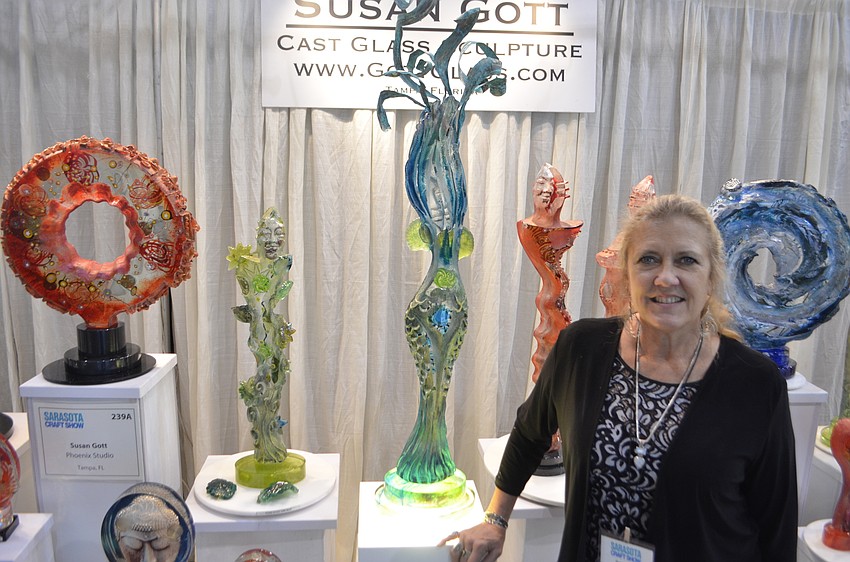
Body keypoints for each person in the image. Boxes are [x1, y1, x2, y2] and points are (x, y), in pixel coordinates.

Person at [440, 194, 797, 561]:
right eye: (649, 259)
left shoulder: (756, 384)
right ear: (627, 275)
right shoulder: (582, 347)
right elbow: (530, 432)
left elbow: (775, 525)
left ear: (710, 278)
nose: (665, 277)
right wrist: (496, 519)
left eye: (686, 260)